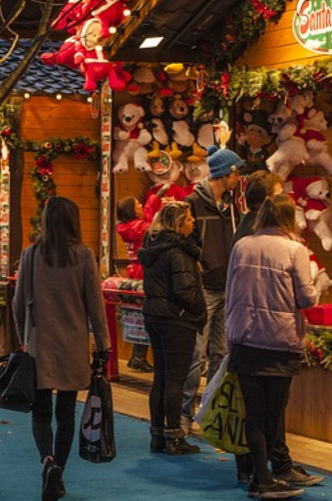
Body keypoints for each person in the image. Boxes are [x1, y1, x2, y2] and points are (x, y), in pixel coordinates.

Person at [12, 196, 111, 501]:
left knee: (40, 412)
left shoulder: (30, 255)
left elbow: (18, 302)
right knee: (65, 412)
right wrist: (103, 345)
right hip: (73, 345)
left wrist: (23, 337)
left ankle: (47, 461)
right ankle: (60, 472)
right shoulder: (83, 256)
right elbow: (95, 305)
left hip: (39, 344)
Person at [230, 172, 323, 489]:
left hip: (244, 337)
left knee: (253, 414)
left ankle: (259, 476)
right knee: (273, 414)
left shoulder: (242, 245)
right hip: (279, 339)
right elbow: (307, 297)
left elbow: (231, 290)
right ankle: (264, 477)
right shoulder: (294, 249)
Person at [181, 145, 244, 430]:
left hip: (228, 286)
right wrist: (201, 265)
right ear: (224, 174)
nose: (239, 177)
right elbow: (187, 241)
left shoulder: (234, 205)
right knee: (196, 353)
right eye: (235, 172)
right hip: (205, 287)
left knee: (220, 353)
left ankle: (209, 414)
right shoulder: (194, 203)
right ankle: (183, 413)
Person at [138, 201, 205, 455]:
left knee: (161, 379)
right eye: (189, 219)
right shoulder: (179, 252)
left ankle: (157, 434)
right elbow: (184, 290)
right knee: (175, 380)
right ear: (178, 224)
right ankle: (174, 437)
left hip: (155, 315)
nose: (193, 222)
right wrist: (199, 308)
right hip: (176, 319)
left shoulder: (154, 247)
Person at [116, 196, 153, 373]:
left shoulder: (125, 227)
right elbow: (154, 228)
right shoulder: (141, 226)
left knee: (137, 316)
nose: (142, 205)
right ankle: (139, 356)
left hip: (133, 271)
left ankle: (136, 355)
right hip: (144, 272)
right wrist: (152, 206)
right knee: (144, 316)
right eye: (139, 204)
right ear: (132, 210)